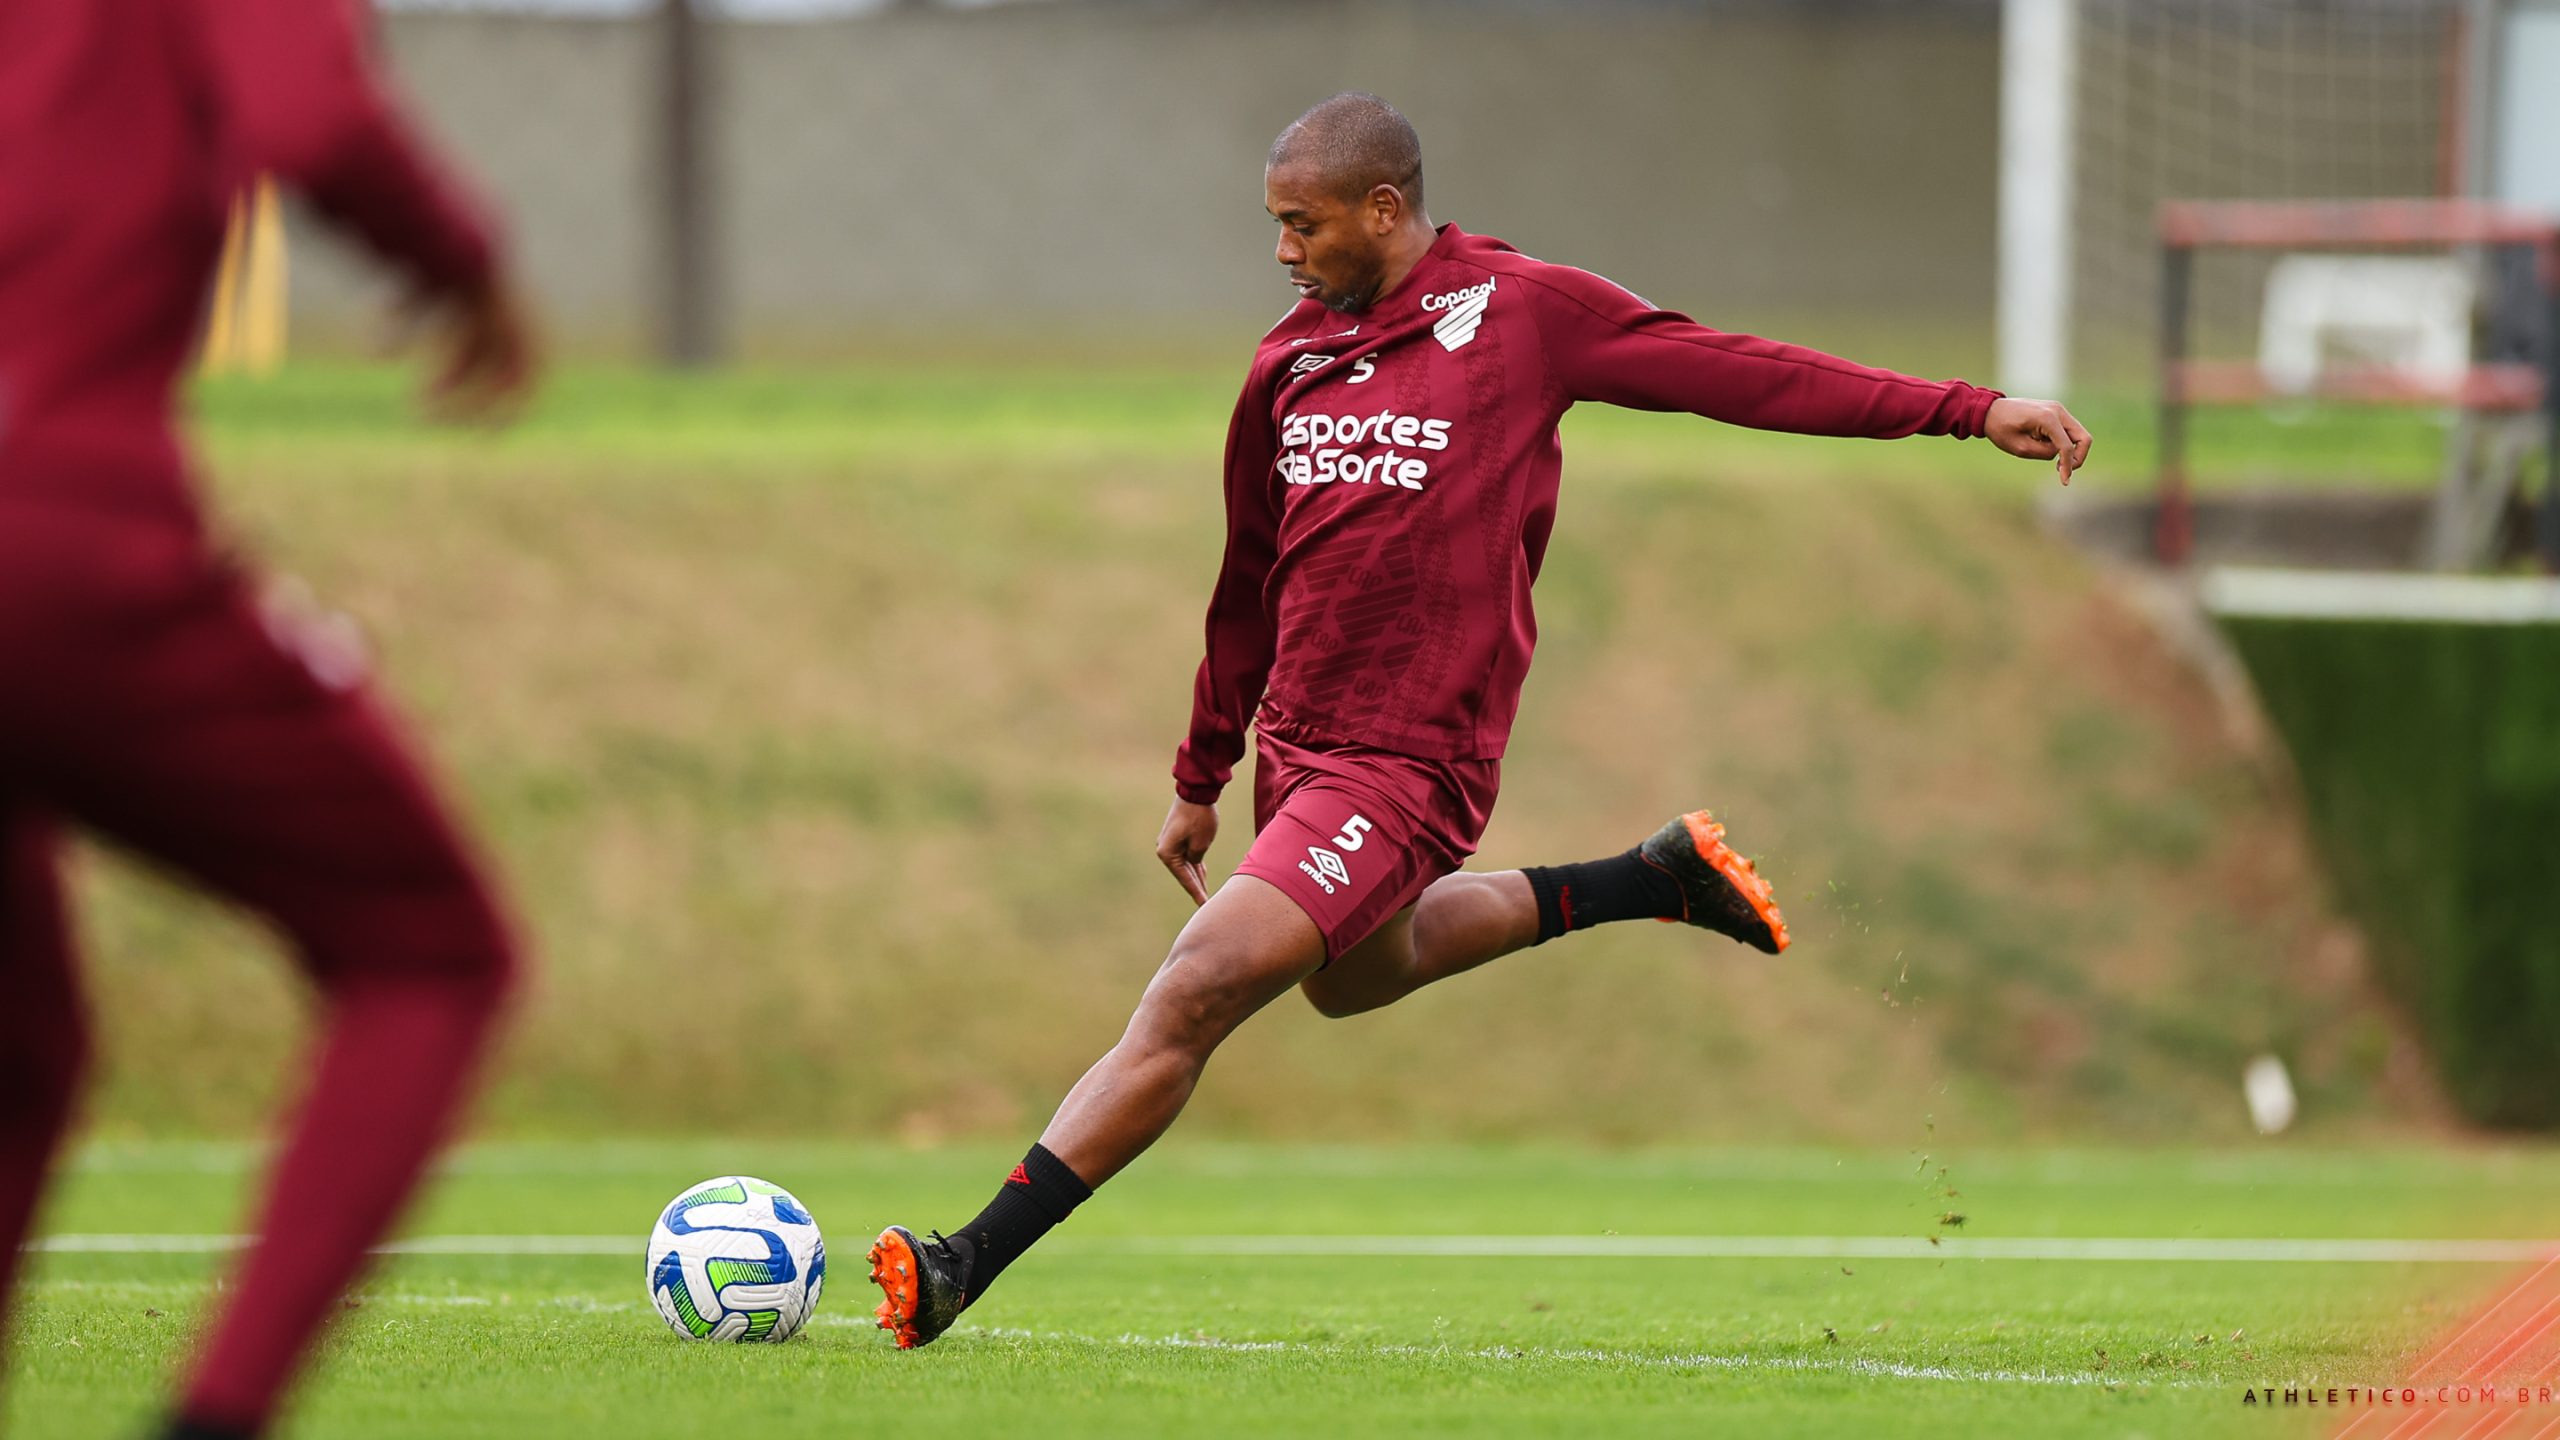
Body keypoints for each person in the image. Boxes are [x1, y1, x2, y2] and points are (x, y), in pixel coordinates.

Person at [864, 91, 2090, 1348]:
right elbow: (1246, 575)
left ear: (1383, 209)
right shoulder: (1285, 361)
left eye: (1302, 224)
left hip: (1410, 758)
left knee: (1200, 987)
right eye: (1275, 225)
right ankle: (1647, 878)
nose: (1282, 251)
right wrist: (1202, 768)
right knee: (1356, 982)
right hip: (1296, 745)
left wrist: (1962, 406)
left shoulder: (1521, 316)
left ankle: (963, 1262)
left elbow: (1733, 371)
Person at [0, 2, 539, 1434]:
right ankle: (215, 1417)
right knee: (429, 948)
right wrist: (466, 268)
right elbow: (310, 117)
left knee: (21, 1043)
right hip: (48, 531)